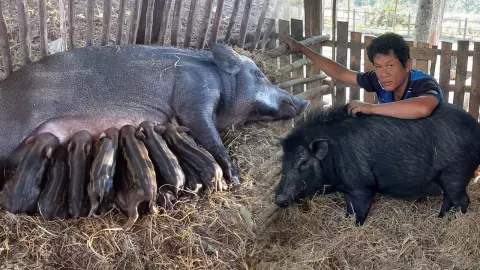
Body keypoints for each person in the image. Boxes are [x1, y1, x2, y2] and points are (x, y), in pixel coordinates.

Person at [282, 32, 444, 119]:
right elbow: (341, 73)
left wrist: (371, 108)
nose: (383, 74)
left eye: (390, 65)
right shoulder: (377, 79)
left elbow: (423, 108)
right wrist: (302, 49)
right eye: (378, 66)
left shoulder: (423, 82)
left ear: (406, 65)